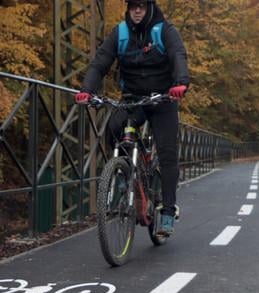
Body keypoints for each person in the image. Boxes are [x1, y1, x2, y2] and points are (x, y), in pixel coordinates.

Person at [75, 0, 190, 237]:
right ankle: (123, 174)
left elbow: (178, 55)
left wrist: (180, 83)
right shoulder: (121, 33)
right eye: (132, 6)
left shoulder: (165, 31)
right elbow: (100, 63)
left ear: (149, 7)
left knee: (168, 153)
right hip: (133, 98)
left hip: (162, 99)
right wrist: (87, 89)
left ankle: (168, 211)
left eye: (141, 6)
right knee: (114, 127)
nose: (137, 11)